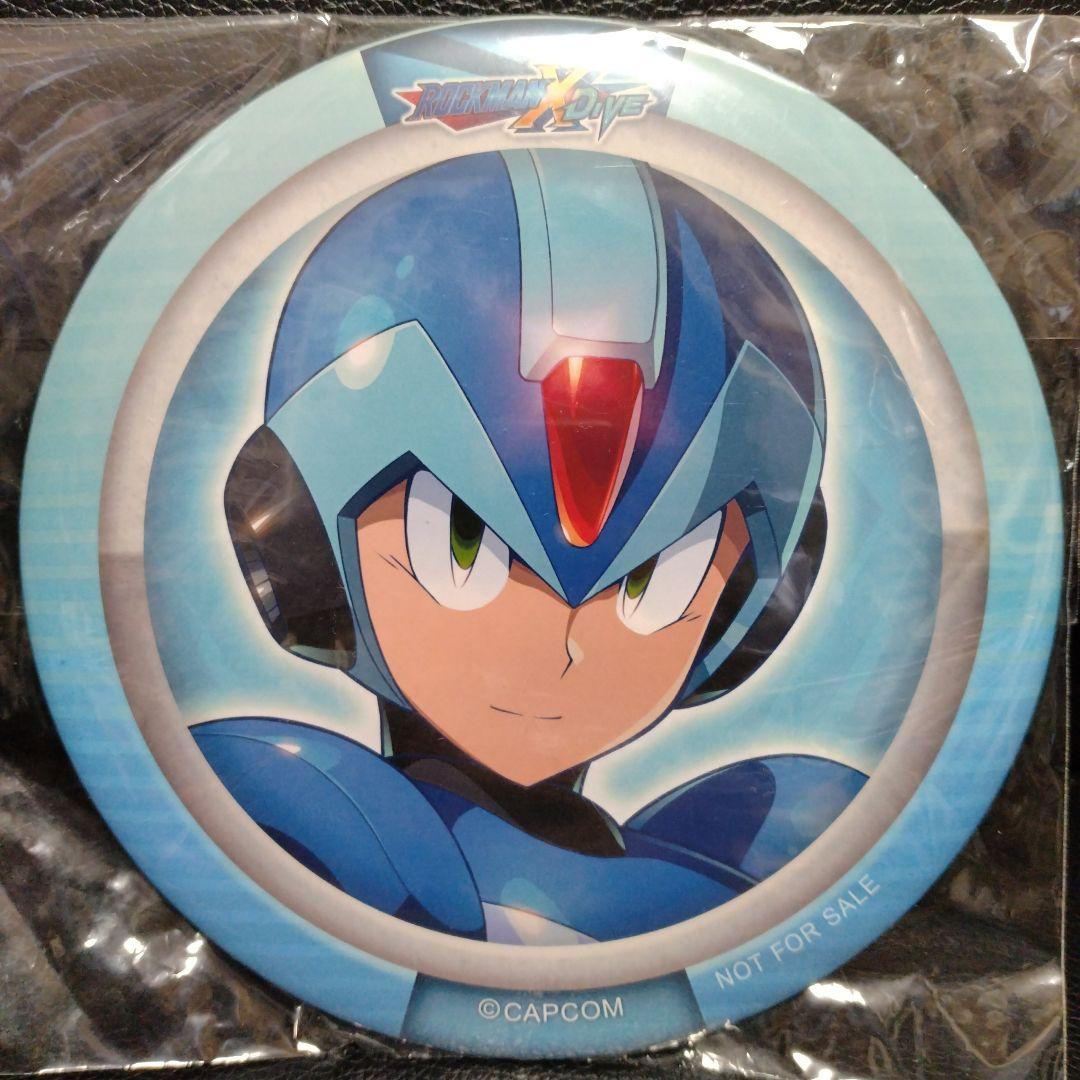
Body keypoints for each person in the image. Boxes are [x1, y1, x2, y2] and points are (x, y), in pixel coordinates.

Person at [195, 149, 865, 944]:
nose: (562, 650)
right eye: (461, 549)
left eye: (657, 581)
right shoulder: (316, 819)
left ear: (744, 615)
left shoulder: (766, 841)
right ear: (301, 555)